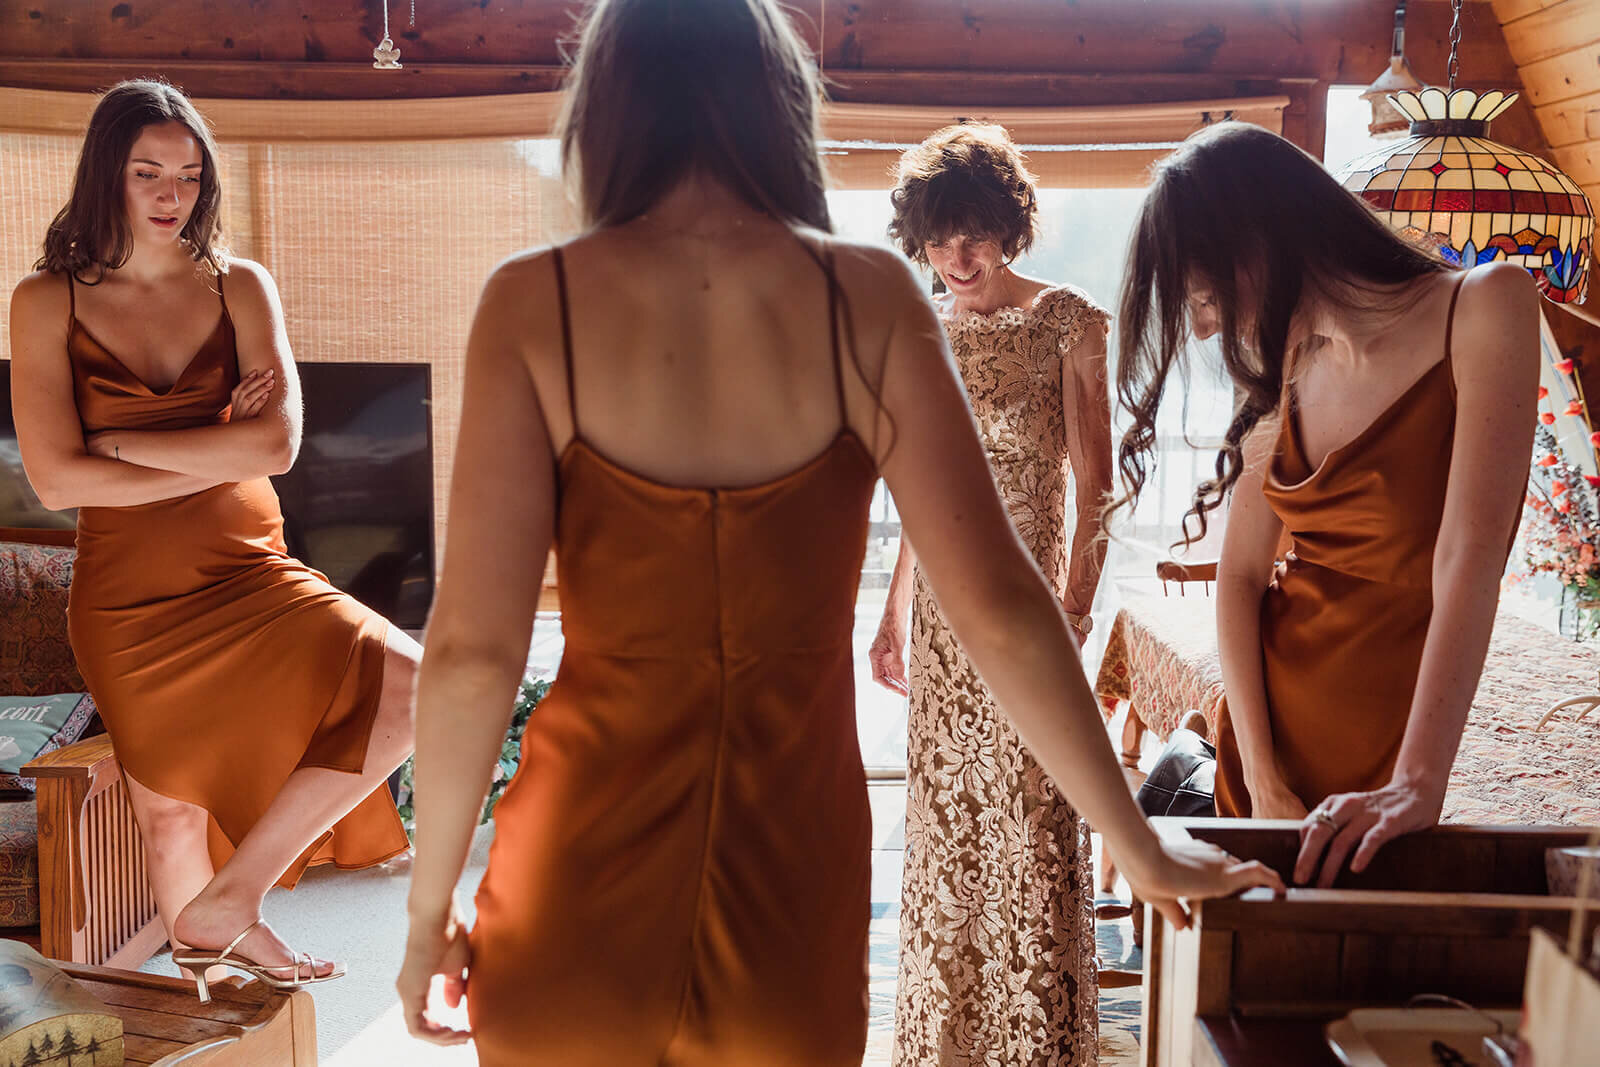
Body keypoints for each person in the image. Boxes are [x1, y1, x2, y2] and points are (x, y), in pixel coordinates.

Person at [395, 2, 1280, 1063]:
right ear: (780, 107)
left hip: (571, 871)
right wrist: (1133, 846)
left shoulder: (531, 302)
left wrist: (427, 908)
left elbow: (471, 651)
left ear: (608, 108)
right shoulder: (868, 298)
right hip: (789, 873)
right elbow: (1001, 603)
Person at [9, 80, 418, 998]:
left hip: (248, 571)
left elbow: (276, 446)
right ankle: (215, 993)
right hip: (128, 601)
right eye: (147, 171)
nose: (170, 194)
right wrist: (210, 449)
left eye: (189, 176)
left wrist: (120, 446)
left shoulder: (241, 284)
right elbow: (56, 480)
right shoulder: (46, 301)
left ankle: (232, 901)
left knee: (417, 685)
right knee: (168, 818)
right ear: (105, 174)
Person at [1113, 121, 1538, 888]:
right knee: (1226, 988)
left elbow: (1467, 560)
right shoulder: (1289, 370)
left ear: (1260, 243)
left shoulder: (1486, 306)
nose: (1205, 326)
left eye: (1206, 296)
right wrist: (1266, 777)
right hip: (1265, 759)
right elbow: (1241, 579)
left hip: (1393, 750)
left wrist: (1419, 777)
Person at [864, 122, 1115, 1065]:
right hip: (938, 623)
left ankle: (1037, 1044)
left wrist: (1073, 610)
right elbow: (920, 491)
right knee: (950, 829)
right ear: (918, 238)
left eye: (973, 233)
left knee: (1033, 818)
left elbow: (1097, 484)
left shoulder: (1070, 320)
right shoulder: (918, 327)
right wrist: (891, 617)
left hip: (1030, 612)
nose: (956, 257)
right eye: (938, 236)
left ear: (1008, 227)